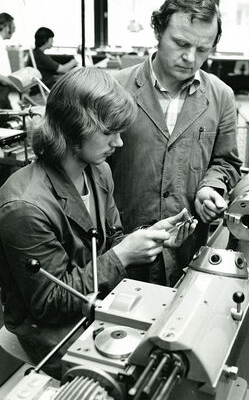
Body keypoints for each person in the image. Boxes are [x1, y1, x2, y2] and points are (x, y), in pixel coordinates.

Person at [0, 67, 197, 378]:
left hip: (96, 306)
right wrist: (123, 256)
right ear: (71, 127)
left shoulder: (99, 172)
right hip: (49, 329)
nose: (118, 143)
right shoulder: (24, 208)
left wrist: (150, 240)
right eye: (108, 132)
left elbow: (110, 241)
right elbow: (49, 302)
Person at [110, 0, 242, 286]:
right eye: (180, 43)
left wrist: (211, 187)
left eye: (203, 50)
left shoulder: (221, 96)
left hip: (187, 249)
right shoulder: (114, 88)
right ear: (158, 30)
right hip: (120, 245)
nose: (190, 57)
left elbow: (226, 162)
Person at [0, 12, 18, 110]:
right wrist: (14, 84)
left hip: (3, 93)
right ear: (5, 26)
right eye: (12, 25)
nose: (14, 28)